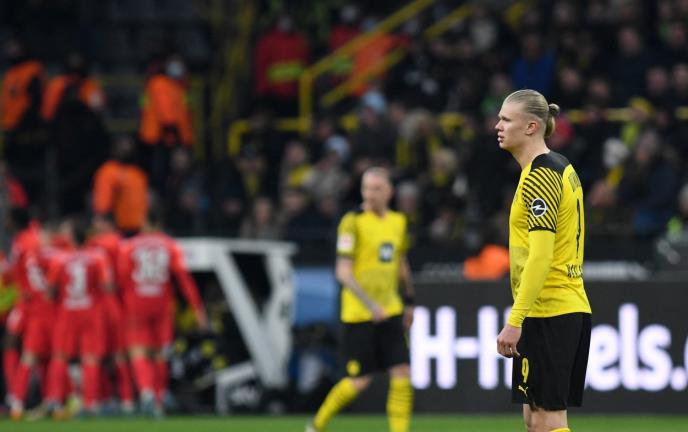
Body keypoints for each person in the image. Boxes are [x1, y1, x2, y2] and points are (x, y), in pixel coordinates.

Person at [494, 89, 592, 432]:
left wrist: (515, 319)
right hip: (556, 307)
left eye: (506, 119)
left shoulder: (541, 176)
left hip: (551, 308)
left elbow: (541, 255)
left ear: (531, 127)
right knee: (534, 419)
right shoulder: (558, 167)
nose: (497, 126)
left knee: (548, 421)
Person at [306, 167, 414, 432]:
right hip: (359, 313)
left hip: (390, 309)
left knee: (402, 374)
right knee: (358, 381)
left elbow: (401, 263)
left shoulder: (398, 221)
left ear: (389, 191)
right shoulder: (352, 221)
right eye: (366, 188)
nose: (370, 194)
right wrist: (370, 305)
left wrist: (409, 300)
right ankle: (316, 426)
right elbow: (342, 272)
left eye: (377, 188)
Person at [117, 209, 207, 416]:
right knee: (160, 353)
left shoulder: (128, 246)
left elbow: (122, 279)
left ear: (145, 222)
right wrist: (197, 308)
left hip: (136, 303)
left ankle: (146, 392)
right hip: (162, 304)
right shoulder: (170, 245)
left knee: (138, 351)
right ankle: (159, 399)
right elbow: (183, 278)